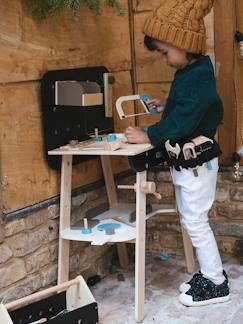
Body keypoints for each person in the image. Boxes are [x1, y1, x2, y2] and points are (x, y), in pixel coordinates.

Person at [125, 0, 230, 307]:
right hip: (190, 164)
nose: (165, 59)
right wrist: (164, 104)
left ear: (184, 44)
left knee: (196, 221)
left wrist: (149, 134)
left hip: (197, 164)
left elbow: (187, 116)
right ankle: (211, 274)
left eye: (165, 51)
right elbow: (184, 107)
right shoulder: (192, 71)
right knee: (191, 219)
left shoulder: (197, 77)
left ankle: (216, 283)